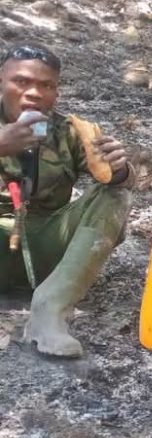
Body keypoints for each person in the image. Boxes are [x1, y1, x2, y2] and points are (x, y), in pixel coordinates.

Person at [0, 44, 133, 357]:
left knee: (114, 196)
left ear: (55, 93)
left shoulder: (69, 132)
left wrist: (119, 170)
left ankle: (49, 313)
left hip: (45, 246)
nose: (34, 93)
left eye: (46, 85)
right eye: (21, 81)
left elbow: (116, 181)